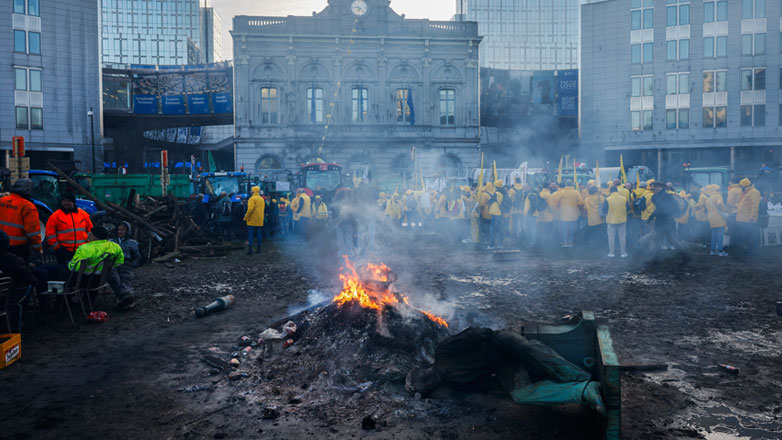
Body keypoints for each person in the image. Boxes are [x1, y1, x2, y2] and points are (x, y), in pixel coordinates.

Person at [68, 226, 131, 309]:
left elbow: (75, 268)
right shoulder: (114, 246)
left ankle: (67, 303)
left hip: (84, 280)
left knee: (62, 274)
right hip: (101, 279)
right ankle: (88, 302)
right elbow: (119, 261)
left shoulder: (84, 248)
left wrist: (69, 264)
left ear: (96, 237)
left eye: (90, 234)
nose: (88, 235)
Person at [639, 181, 689, 262]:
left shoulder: (667, 197)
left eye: (654, 188)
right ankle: (685, 256)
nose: (652, 189)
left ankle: (643, 256)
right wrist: (651, 218)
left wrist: (651, 217)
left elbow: (662, 210)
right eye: (651, 188)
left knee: (644, 240)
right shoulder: (656, 197)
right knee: (670, 240)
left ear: (660, 187)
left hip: (666, 223)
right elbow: (658, 209)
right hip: (662, 222)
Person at [0, 178, 42, 260]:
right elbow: (33, 232)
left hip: (2, 244)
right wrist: (38, 249)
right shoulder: (28, 206)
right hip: (18, 248)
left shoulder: (2, 201)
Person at [46, 192, 93, 264]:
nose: (65, 203)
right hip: (64, 251)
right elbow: (50, 234)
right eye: (64, 201)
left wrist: (88, 245)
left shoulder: (83, 214)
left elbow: (90, 231)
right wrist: (58, 248)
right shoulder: (55, 216)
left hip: (82, 250)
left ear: (73, 202)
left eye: (68, 201)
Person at [109, 221, 142, 300]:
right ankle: (124, 296)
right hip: (113, 263)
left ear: (127, 231)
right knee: (114, 279)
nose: (120, 231)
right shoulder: (111, 241)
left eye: (122, 230)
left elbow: (138, 256)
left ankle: (127, 296)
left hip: (125, 263)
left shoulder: (132, 243)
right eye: (119, 230)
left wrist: (134, 264)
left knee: (125, 278)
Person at [735, 178, 761, 257]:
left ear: (745, 186)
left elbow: (754, 206)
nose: (740, 188)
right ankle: (748, 251)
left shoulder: (754, 192)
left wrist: (752, 217)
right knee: (747, 236)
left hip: (749, 219)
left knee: (751, 237)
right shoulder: (748, 192)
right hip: (744, 219)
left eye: (741, 186)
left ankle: (751, 253)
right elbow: (745, 205)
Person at [552, 181, 583, 248]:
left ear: (566, 185)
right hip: (574, 215)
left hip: (563, 215)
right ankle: (570, 243)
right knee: (571, 230)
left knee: (564, 230)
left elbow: (556, 203)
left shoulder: (561, 192)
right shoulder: (576, 192)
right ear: (572, 185)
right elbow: (580, 203)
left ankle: (565, 243)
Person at [603, 186, 630, 258]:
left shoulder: (607, 199)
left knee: (611, 237)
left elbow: (604, 210)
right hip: (622, 220)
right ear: (617, 191)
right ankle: (623, 253)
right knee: (622, 237)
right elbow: (628, 208)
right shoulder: (624, 199)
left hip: (611, 221)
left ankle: (611, 253)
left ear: (610, 191)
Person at [702, 185, 729, 256]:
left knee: (713, 236)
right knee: (720, 236)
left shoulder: (708, 199)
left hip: (711, 219)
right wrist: (725, 209)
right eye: (718, 189)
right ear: (716, 190)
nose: (720, 190)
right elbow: (720, 204)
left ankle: (712, 251)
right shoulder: (718, 196)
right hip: (719, 219)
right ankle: (720, 251)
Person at [243, 186, 265, 255]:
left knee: (250, 235)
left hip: (252, 219)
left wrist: (246, 217)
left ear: (253, 191)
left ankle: (250, 250)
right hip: (259, 219)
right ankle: (259, 249)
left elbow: (250, 209)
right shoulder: (261, 199)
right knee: (259, 234)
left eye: (251, 190)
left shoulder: (251, 199)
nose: (250, 191)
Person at [583, 186, 605, 250]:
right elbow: (605, 205)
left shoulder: (587, 199)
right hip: (600, 218)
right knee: (600, 232)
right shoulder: (600, 197)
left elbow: (585, 208)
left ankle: (593, 246)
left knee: (592, 232)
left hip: (591, 219)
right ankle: (600, 245)